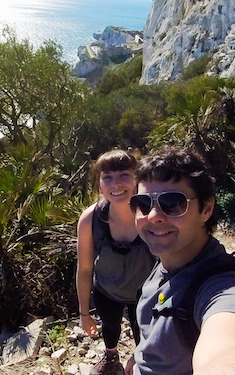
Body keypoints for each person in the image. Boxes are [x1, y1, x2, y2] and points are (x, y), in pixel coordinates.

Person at [128, 147, 235, 375]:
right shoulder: (169, 261)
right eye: (143, 203)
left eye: (172, 203)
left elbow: (226, 348)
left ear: (206, 209)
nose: (153, 216)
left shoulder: (224, 289)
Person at [77, 149, 157, 375]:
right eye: (107, 177)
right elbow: (84, 268)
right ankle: (111, 356)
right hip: (106, 289)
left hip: (145, 292)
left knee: (144, 332)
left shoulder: (151, 213)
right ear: (100, 184)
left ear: (137, 179)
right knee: (110, 327)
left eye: (124, 174)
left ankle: (141, 359)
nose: (116, 184)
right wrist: (84, 312)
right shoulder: (90, 219)